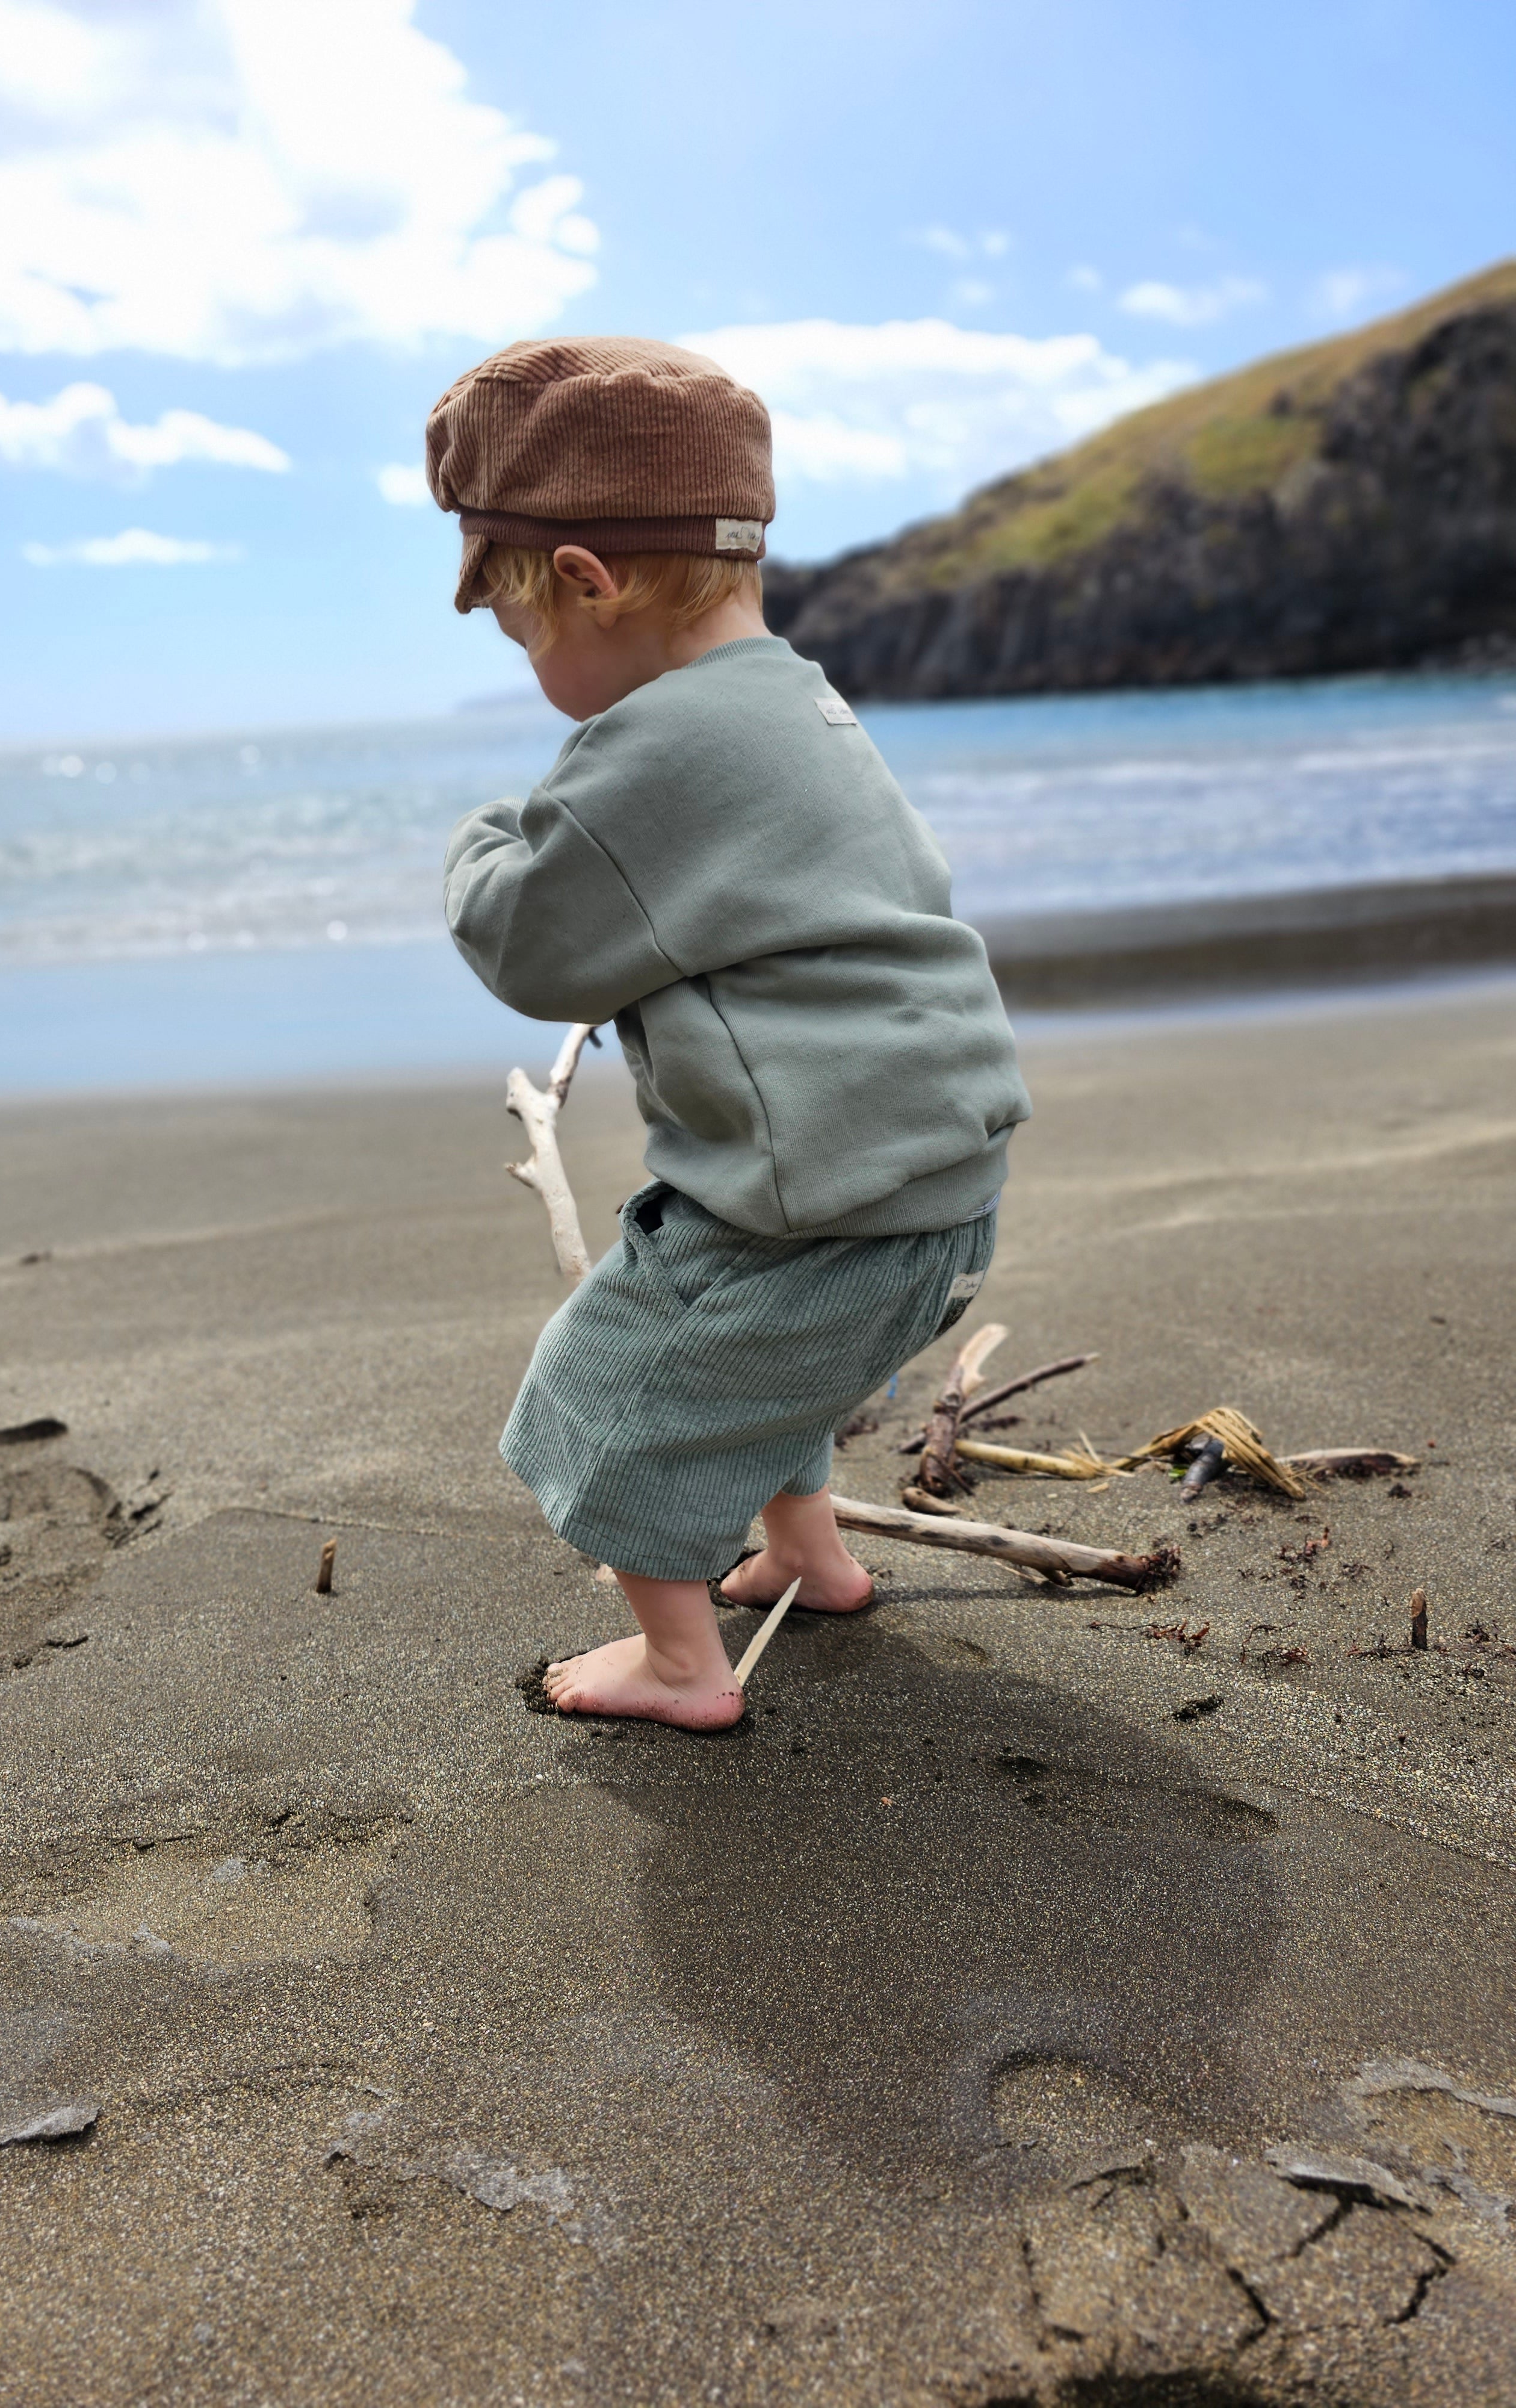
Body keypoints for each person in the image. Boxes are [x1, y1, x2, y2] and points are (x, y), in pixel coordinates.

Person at [429, 337, 1030, 1730]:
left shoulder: (663, 744)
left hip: (810, 1201)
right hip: (935, 1192)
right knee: (764, 1369)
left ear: (587, 581)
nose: (533, 668)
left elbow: (529, 938)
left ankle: (682, 1664)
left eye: (523, 634)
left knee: (612, 1390)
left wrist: (474, 841)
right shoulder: (803, 703)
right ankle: (807, 1558)